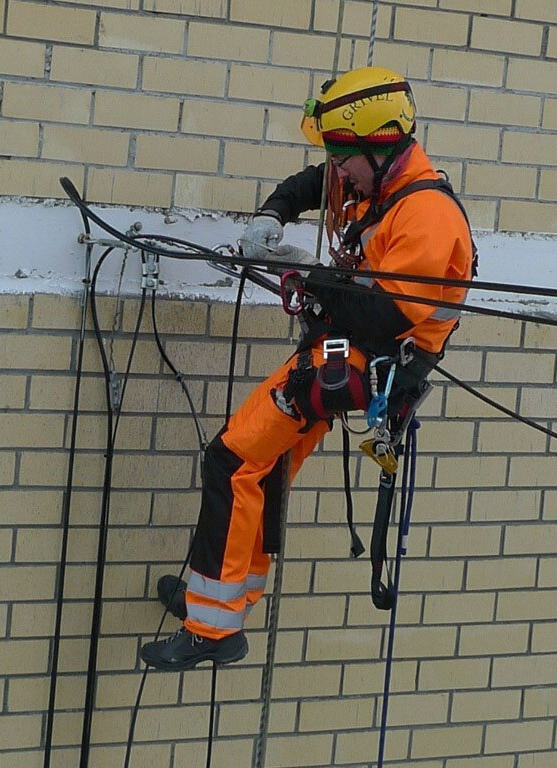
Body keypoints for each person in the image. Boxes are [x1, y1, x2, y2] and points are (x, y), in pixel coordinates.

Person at [140, 66, 475, 671]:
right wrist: (273, 215)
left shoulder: (425, 215)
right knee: (262, 468)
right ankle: (221, 600)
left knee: (231, 460)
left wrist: (304, 272)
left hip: (365, 361)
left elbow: (383, 316)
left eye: (344, 157)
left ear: (379, 147)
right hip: (341, 352)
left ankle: (212, 629)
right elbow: (312, 184)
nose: (337, 172)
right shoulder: (376, 182)